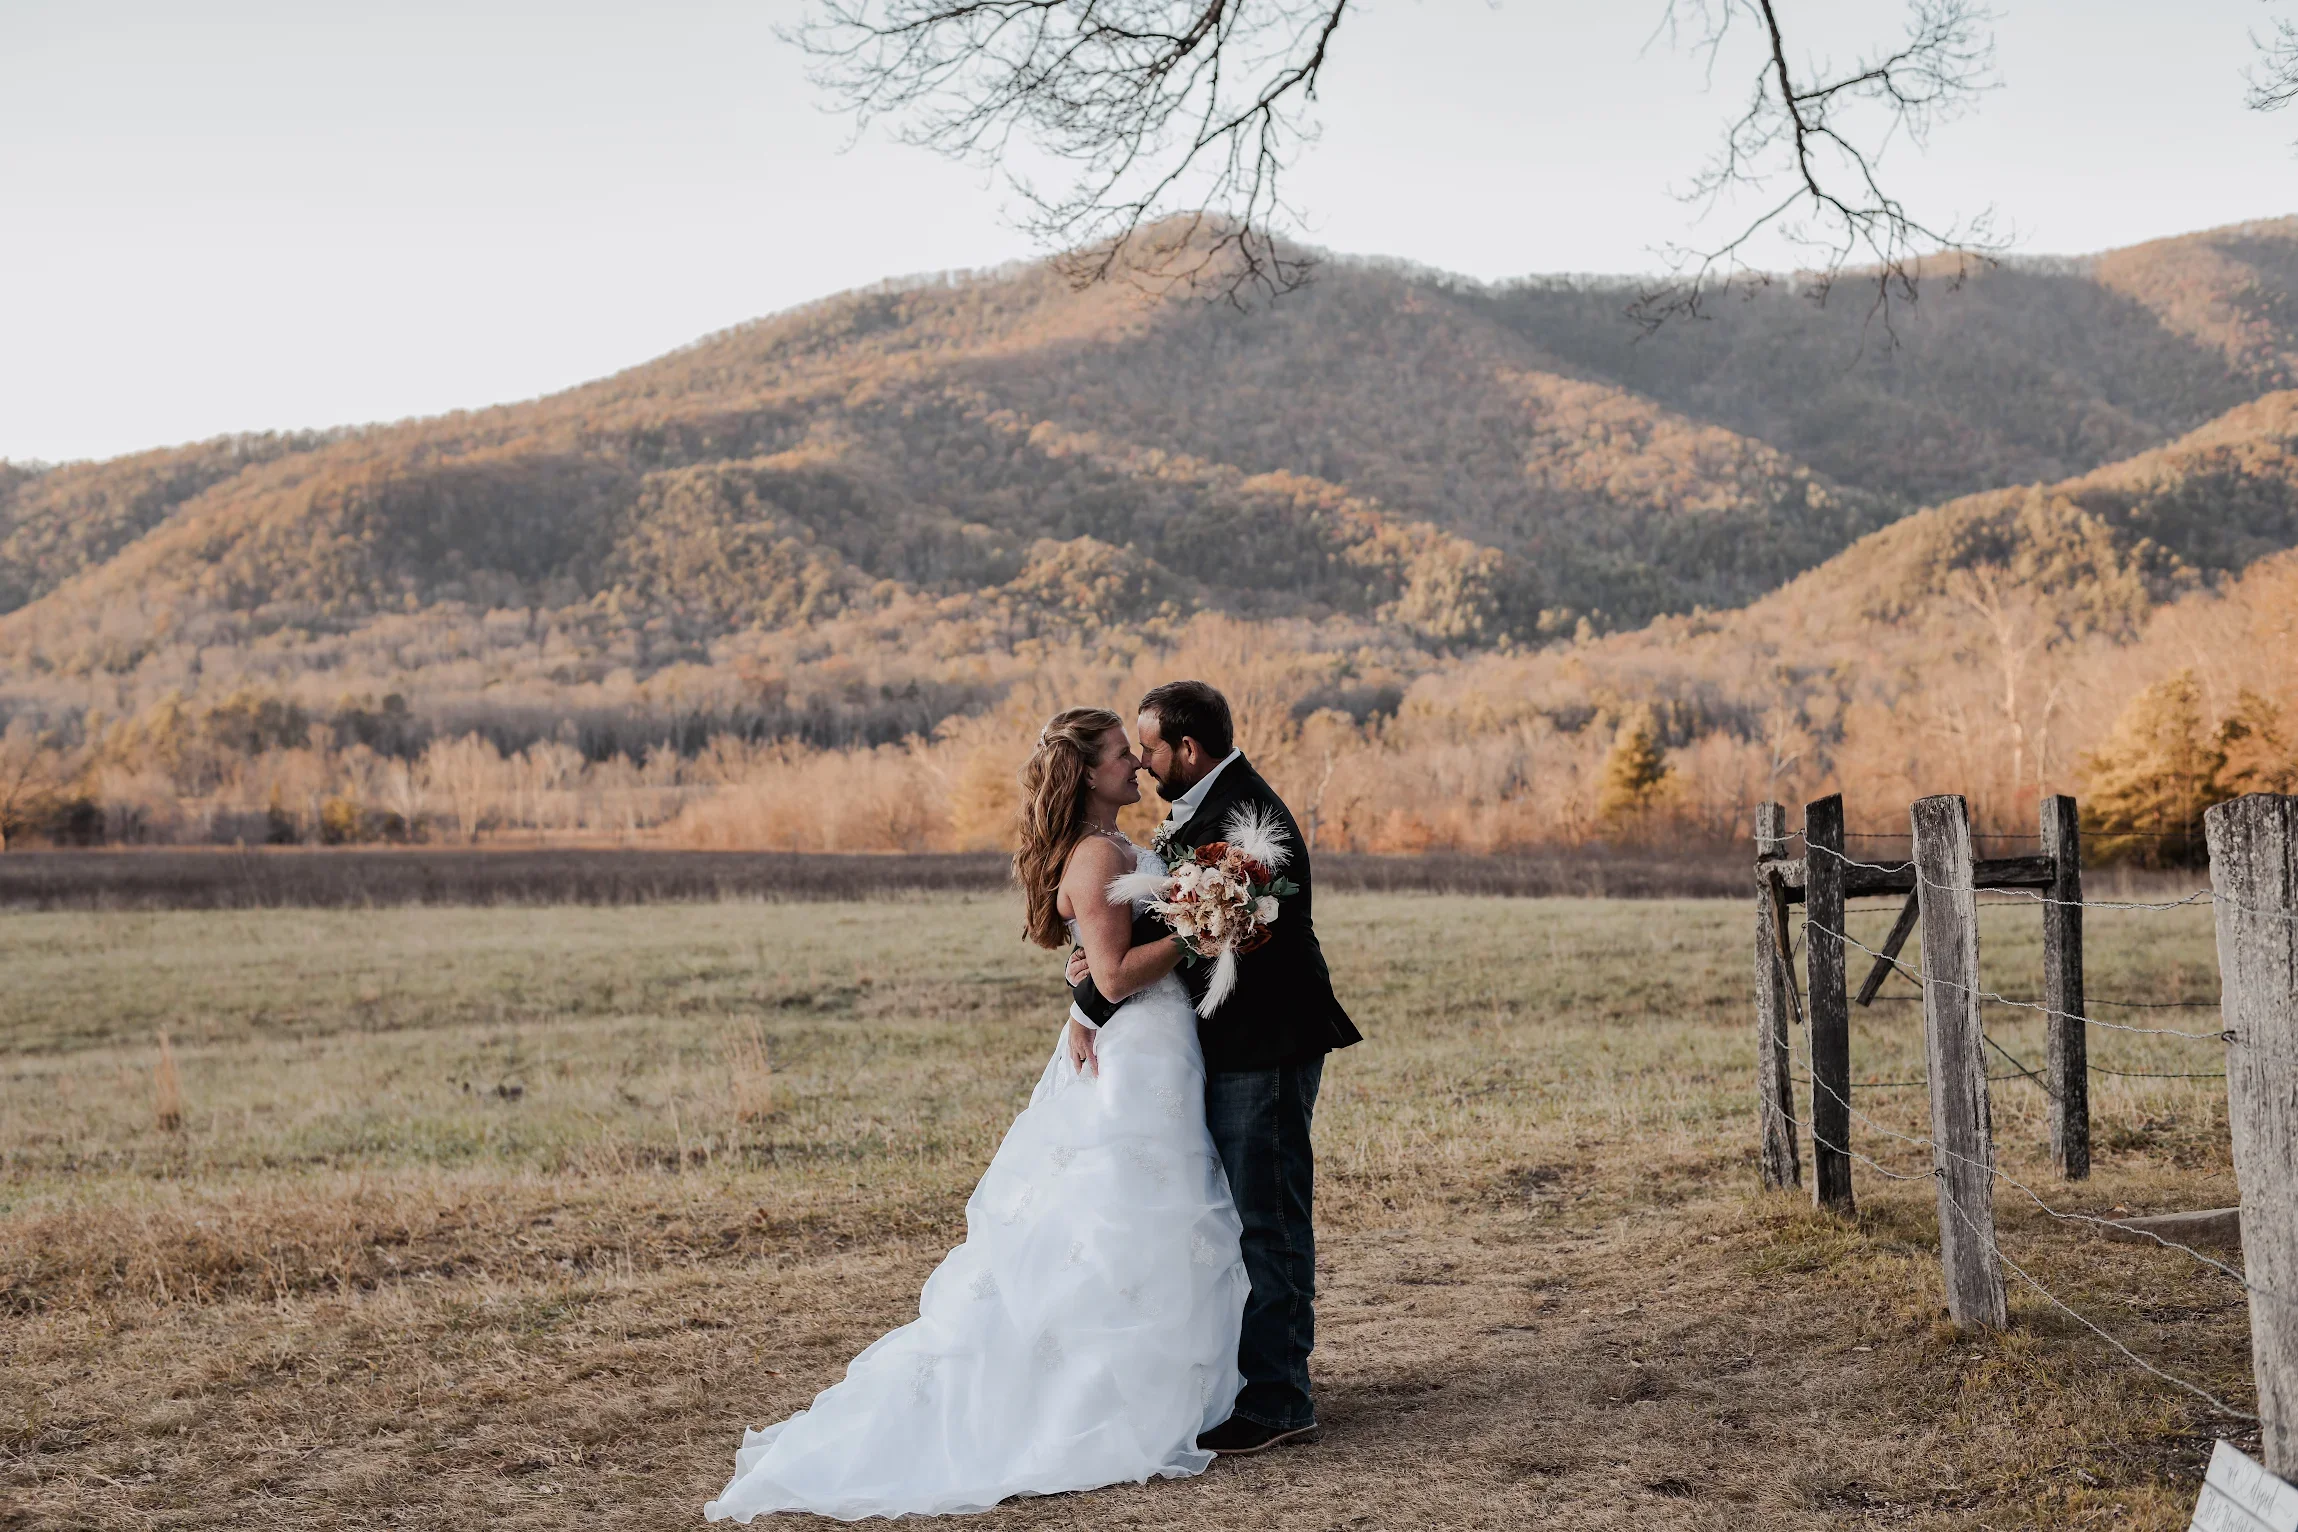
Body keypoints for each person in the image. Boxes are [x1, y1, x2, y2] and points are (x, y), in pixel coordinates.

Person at [703, 707, 1249, 1523]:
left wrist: (1170, 927)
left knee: (1141, 1223)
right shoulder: (1098, 852)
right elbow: (1114, 972)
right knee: (1123, 1223)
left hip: (1154, 1048)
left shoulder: (1111, 846)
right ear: (1087, 773)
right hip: (1136, 1055)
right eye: (1118, 755)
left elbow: (1092, 972)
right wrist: (1201, 927)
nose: (1135, 763)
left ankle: (1143, 1377)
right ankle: (1095, 1395)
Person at [1067, 679, 1361, 1456]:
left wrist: (1093, 1004)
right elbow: (1172, 923)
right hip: (1228, 1044)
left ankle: (1278, 1401)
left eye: (1150, 747)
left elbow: (1210, 926)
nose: (1140, 760)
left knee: (1268, 1218)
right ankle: (1257, 1378)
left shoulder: (1244, 818)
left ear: (1186, 750)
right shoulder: (1212, 806)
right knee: (1243, 1217)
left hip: (1263, 1043)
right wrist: (1099, 963)